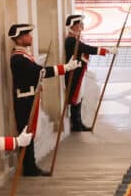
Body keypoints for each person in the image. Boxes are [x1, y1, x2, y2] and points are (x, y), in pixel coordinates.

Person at [8, 23, 80, 176]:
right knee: (26, 132)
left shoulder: (24, 55)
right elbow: (39, 72)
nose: (31, 37)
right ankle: (29, 167)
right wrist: (65, 68)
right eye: (27, 35)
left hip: (29, 97)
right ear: (20, 39)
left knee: (30, 132)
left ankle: (30, 166)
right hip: (24, 100)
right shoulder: (18, 58)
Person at [64, 14, 110, 132]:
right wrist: (105, 51)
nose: (82, 26)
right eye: (80, 24)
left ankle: (78, 123)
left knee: (79, 97)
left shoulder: (75, 39)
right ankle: (76, 124)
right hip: (74, 74)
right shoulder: (71, 40)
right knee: (76, 97)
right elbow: (87, 49)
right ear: (73, 26)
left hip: (79, 73)